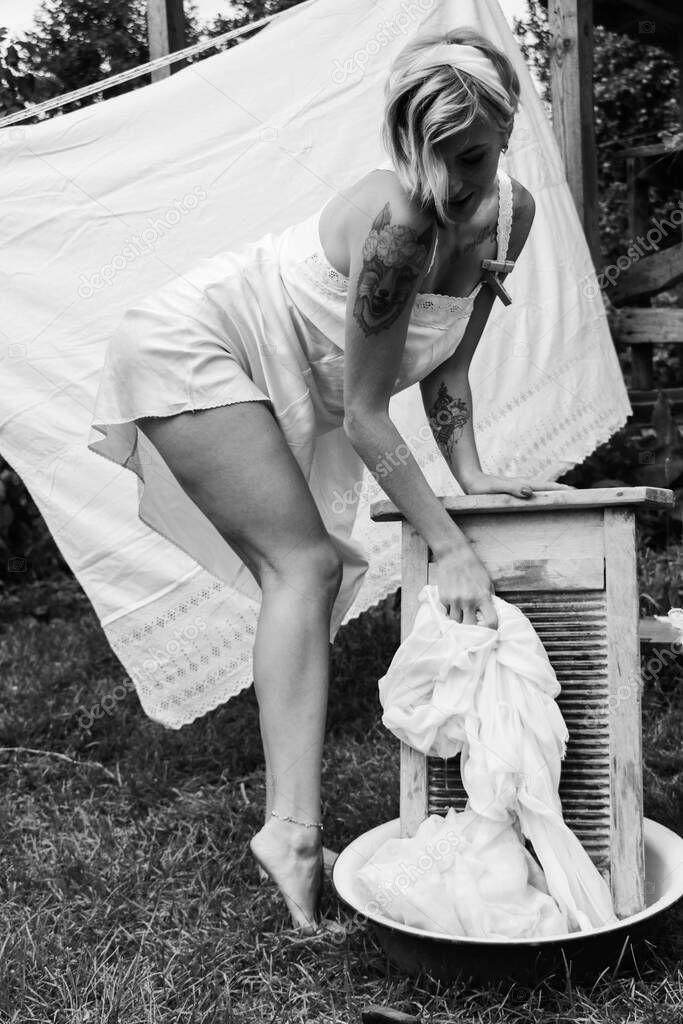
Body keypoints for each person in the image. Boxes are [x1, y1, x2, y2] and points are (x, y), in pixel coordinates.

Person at [87, 25, 574, 936]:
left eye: (472, 156)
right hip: (199, 344)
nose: (452, 184)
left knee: (309, 572)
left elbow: (447, 369)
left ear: (506, 125)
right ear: (405, 144)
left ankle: (290, 831)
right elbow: (362, 412)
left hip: (283, 369)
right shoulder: (398, 224)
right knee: (303, 568)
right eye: (433, 157)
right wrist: (448, 543)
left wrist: (471, 476)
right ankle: (293, 835)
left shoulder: (510, 213)